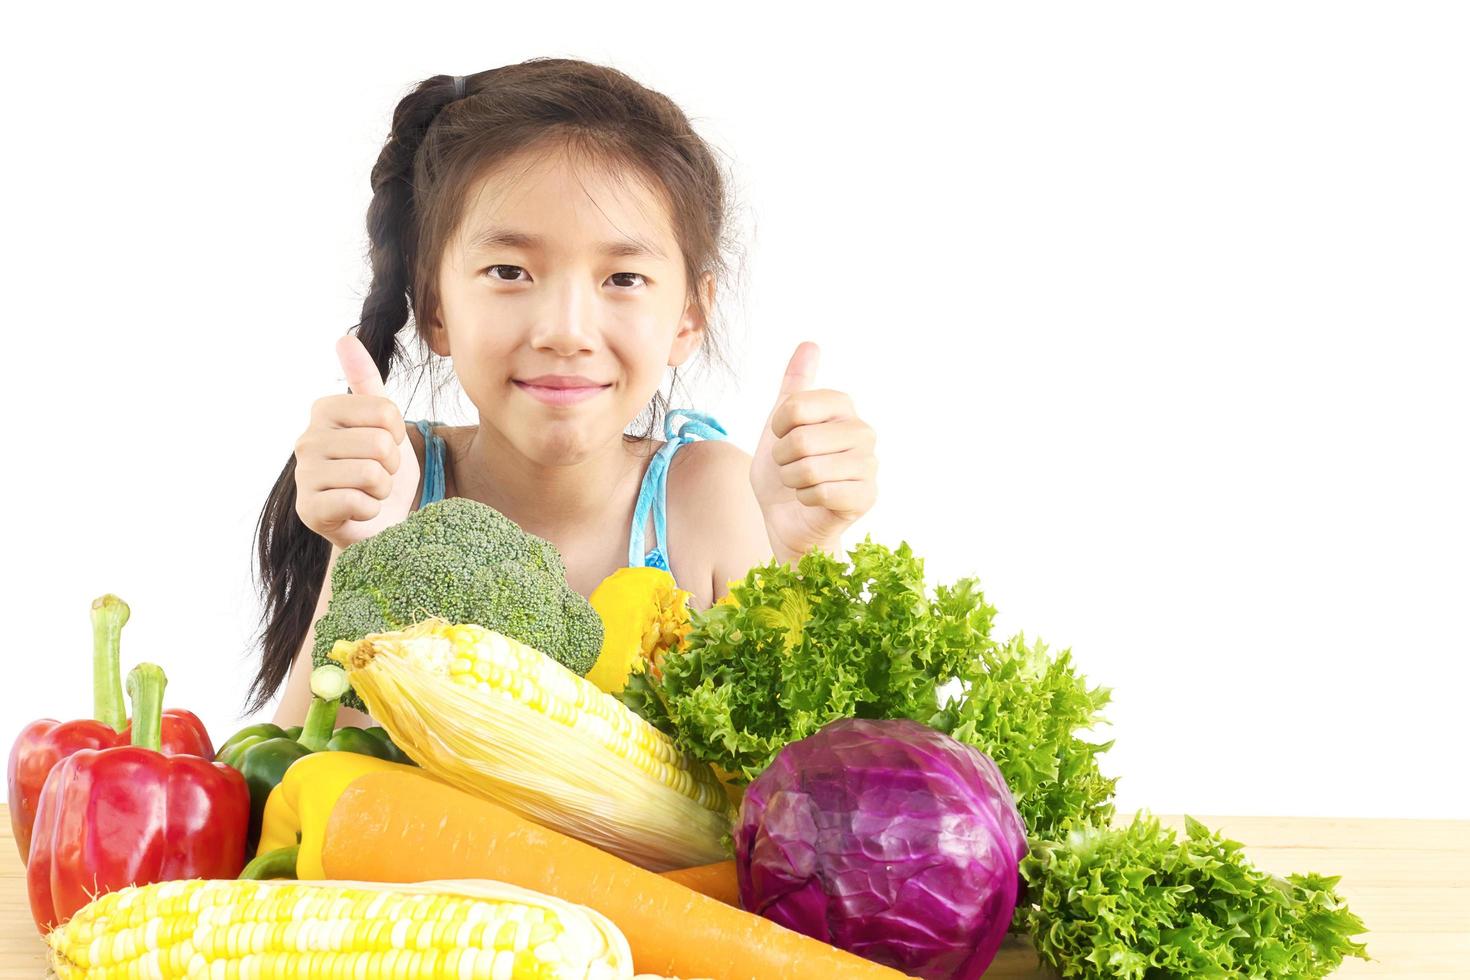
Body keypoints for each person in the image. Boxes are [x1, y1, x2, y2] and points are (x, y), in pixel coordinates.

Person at [250, 59, 878, 728]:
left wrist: (803, 555)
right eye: (510, 271)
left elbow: (800, 798)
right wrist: (360, 559)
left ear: (689, 315)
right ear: (435, 305)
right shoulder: (390, 483)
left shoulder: (707, 504)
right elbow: (293, 800)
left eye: (623, 278)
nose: (566, 332)